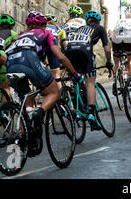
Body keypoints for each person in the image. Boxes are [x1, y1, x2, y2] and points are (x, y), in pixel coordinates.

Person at [6, 11, 79, 154]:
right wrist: (75, 74)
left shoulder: (21, 35)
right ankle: (39, 113)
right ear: (44, 25)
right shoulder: (46, 33)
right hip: (28, 58)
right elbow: (60, 57)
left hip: (10, 62)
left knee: (25, 99)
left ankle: (26, 136)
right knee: (53, 92)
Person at [65, 10, 113, 130]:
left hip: (69, 51)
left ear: (87, 20)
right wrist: (108, 62)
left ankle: (76, 105)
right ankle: (91, 112)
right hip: (85, 50)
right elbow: (107, 49)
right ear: (98, 21)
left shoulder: (80, 28)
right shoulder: (100, 29)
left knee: (76, 78)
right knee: (90, 82)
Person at [112, 6, 131, 94]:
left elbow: (114, 31)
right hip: (128, 39)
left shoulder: (119, 21)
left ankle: (114, 81)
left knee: (116, 63)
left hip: (116, 40)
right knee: (130, 59)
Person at [0, 14, 19, 95]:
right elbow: (13, 49)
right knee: (5, 86)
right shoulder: (12, 33)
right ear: (12, 26)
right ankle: (4, 107)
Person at [44, 14, 68, 84]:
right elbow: (65, 44)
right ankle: (59, 94)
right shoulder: (60, 28)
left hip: (41, 49)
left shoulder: (41, 27)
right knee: (56, 75)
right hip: (53, 49)